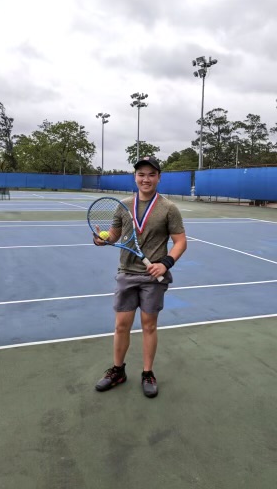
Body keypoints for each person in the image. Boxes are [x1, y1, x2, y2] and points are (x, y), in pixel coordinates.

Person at [93, 156, 187, 398]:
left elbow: (180, 242)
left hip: (152, 278)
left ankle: (147, 373)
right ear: (135, 177)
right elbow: (113, 236)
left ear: (158, 177)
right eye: (141, 174)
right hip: (126, 274)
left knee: (149, 326)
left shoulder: (169, 208)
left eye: (151, 174)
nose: (146, 179)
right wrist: (103, 240)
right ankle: (118, 371)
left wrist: (166, 263)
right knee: (121, 326)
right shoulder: (123, 205)